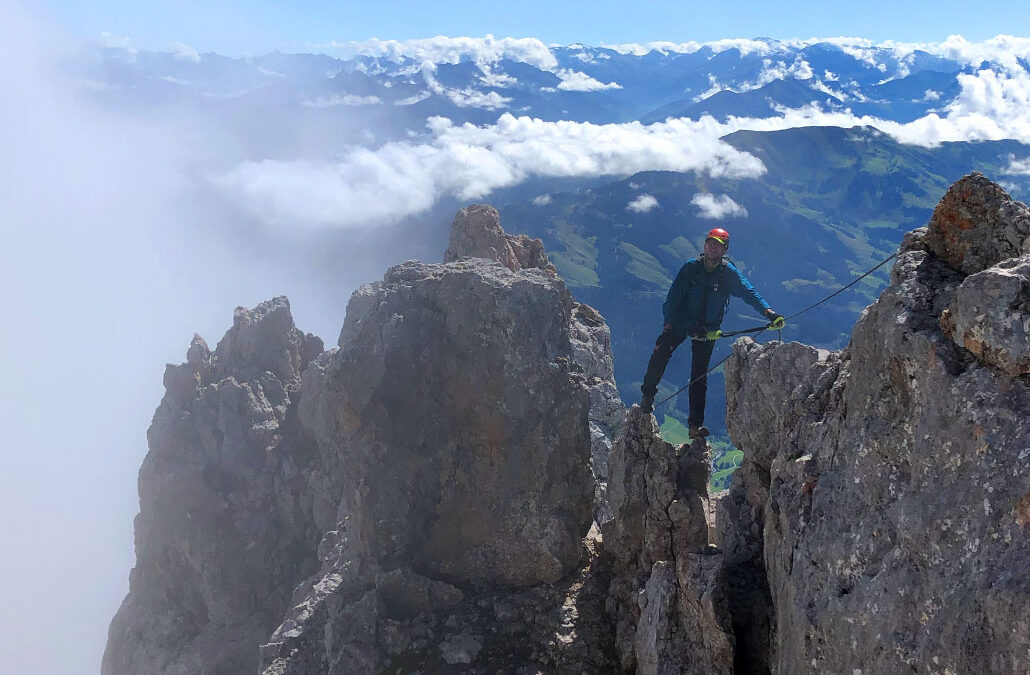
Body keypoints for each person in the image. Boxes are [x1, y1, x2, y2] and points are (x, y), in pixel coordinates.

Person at [640, 227, 783, 438]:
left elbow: (748, 292)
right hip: (682, 322)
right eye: (710, 242)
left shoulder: (728, 273)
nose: (712, 247)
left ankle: (694, 425)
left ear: (724, 249)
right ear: (705, 245)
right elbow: (673, 298)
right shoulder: (691, 268)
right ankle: (647, 398)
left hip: (708, 328)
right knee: (660, 353)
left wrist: (768, 312)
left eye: (717, 244)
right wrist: (668, 326)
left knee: (699, 375)